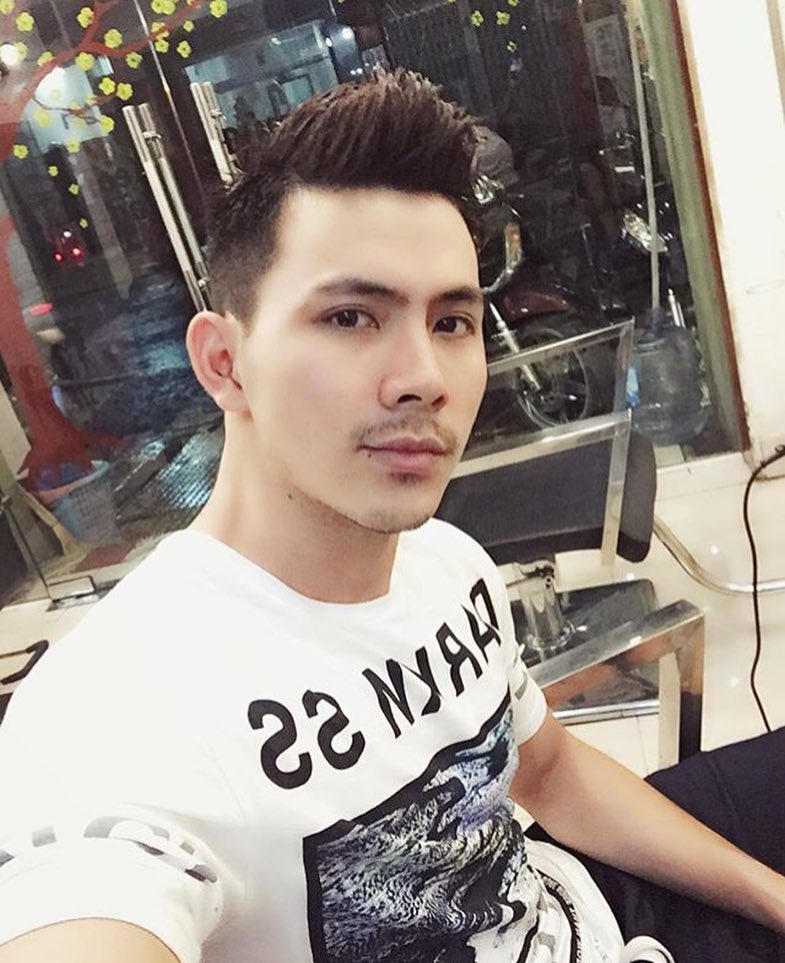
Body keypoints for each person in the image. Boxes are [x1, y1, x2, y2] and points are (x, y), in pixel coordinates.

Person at [0, 70, 783, 963]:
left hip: (575, 907)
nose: (424, 378)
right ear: (224, 363)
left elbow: (553, 773)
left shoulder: (445, 561)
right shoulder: (115, 713)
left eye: (450, 322)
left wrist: (770, 897)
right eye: (349, 316)